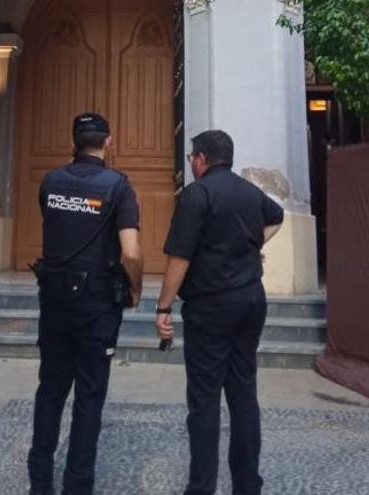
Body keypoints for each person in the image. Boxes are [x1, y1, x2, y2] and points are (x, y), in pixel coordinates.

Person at [154, 130, 284, 495]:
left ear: (202, 158)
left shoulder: (197, 193)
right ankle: (247, 484)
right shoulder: (247, 190)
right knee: (243, 394)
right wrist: (250, 245)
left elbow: (179, 256)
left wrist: (164, 306)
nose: (191, 163)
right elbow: (277, 217)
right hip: (250, 300)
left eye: (192, 157)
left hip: (211, 306)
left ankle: (201, 487)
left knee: (205, 399)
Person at [28, 112, 143, 495]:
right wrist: (136, 290)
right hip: (96, 302)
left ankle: (40, 484)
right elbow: (131, 251)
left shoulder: (51, 182)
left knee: (50, 389)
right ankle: (78, 484)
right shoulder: (119, 186)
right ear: (107, 142)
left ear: (74, 141)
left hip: (55, 299)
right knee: (90, 395)